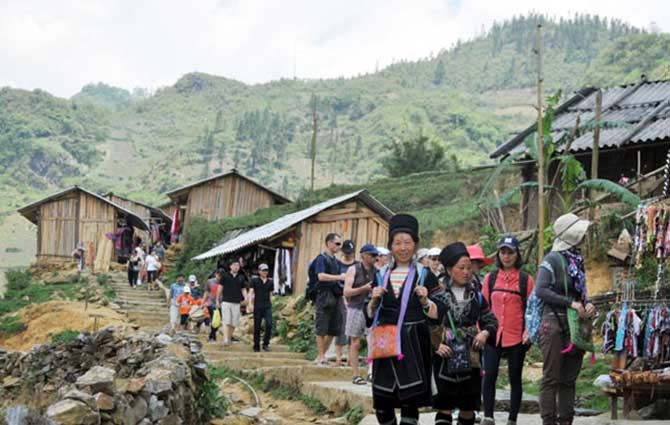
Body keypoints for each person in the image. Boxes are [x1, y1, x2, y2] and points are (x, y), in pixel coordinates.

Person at [367, 214, 444, 425]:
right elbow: (370, 314)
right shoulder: (381, 274)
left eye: (407, 242)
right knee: (382, 402)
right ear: (391, 246)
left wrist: (425, 300)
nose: (403, 248)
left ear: (416, 245)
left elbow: (440, 312)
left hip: (414, 343)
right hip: (384, 341)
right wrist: (374, 301)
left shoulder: (425, 275)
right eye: (397, 243)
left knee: (410, 400)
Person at [537, 213, 596, 425]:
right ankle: (549, 421)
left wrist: (587, 304)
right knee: (551, 377)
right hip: (553, 323)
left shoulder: (577, 260)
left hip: (575, 325)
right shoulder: (551, 259)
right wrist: (570, 303)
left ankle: (566, 421)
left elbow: (581, 293)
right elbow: (540, 290)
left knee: (569, 379)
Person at [432, 242, 498, 425]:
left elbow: (491, 320)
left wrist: (484, 333)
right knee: (444, 405)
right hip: (445, 357)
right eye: (461, 268)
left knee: (468, 407)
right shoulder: (437, 296)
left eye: (469, 268)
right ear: (449, 269)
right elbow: (427, 325)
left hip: (471, 357)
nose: (467, 272)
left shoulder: (476, 295)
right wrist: (437, 344)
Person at [481, 236, 535, 425]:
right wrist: (481, 331)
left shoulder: (526, 280)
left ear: (517, 254)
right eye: (503, 252)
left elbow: (531, 309)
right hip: (492, 334)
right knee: (489, 375)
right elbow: (483, 307)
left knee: (515, 378)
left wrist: (528, 332)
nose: (506, 256)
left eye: (510, 252)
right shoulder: (490, 278)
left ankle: (512, 419)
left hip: (516, 335)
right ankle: (488, 416)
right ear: (498, 254)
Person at [343, 243, 377, 385]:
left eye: (376, 255)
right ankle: (356, 374)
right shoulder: (353, 269)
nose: (375, 258)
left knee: (373, 343)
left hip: (372, 309)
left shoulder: (378, 271)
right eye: (372, 255)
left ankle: (371, 372)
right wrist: (363, 288)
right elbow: (346, 292)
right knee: (355, 342)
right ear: (364, 255)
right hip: (356, 307)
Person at [314, 233, 346, 365]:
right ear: (329, 243)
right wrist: (339, 277)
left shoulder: (336, 261)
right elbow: (320, 276)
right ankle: (321, 356)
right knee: (321, 327)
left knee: (334, 328)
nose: (339, 247)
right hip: (324, 295)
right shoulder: (321, 258)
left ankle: (322, 354)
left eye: (340, 244)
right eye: (337, 243)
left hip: (336, 296)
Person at [335, 239, 356, 367]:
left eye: (350, 253)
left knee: (352, 330)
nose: (348, 255)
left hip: (354, 300)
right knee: (341, 328)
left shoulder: (357, 265)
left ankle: (350, 358)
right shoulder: (337, 265)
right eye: (346, 252)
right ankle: (338, 357)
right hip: (339, 298)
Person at [220, 259, 248, 346]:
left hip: (237, 302)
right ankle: (225, 339)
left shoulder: (241, 277)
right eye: (234, 265)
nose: (236, 267)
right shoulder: (224, 276)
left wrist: (246, 298)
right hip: (226, 301)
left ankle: (229, 337)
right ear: (230, 266)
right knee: (226, 320)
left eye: (238, 265)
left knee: (234, 322)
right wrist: (217, 300)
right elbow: (220, 288)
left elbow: (243, 289)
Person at [249, 263, 274, 352]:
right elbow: (251, 292)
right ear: (259, 271)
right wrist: (250, 304)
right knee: (257, 326)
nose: (265, 272)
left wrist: (272, 304)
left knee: (269, 324)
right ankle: (256, 345)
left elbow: (271, 294)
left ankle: (266, 344)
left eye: (266, 270)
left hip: (267, 306)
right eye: (263, 270)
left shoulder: (270, 281)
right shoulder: (254, 280)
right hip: (258, 306)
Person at [205, 270, 223, 342]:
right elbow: (206, 292)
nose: (219, 277)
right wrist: (203, 302)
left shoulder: (224, 282)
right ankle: (213, 337)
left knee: (218, 321)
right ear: (216, 274)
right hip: (211, 303)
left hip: (221, 304)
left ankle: (211, 335)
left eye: (221, 275)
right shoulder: (210, 281)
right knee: (214, 320)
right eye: (218, 275)